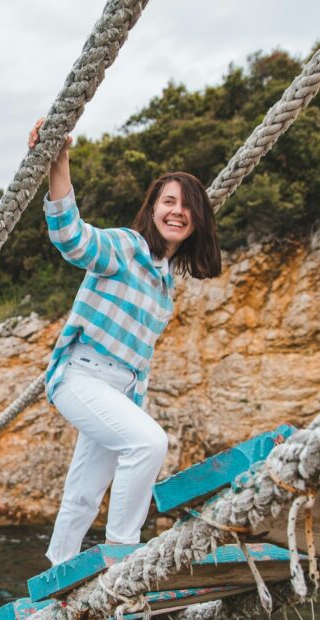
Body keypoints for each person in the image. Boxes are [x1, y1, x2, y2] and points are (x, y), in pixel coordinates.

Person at [28, 118, 222, 565]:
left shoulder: (165, 286)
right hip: (80, 377)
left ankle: (55, 580)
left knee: (84, 492)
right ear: (152, 208)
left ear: (197, 219)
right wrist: (59, 160)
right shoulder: (126, 247)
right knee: (149, 444)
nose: (177, 211)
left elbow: (141, 362)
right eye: (168, 201)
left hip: (118, 393)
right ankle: (122, 555)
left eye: (187, 206)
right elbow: (72, 238)